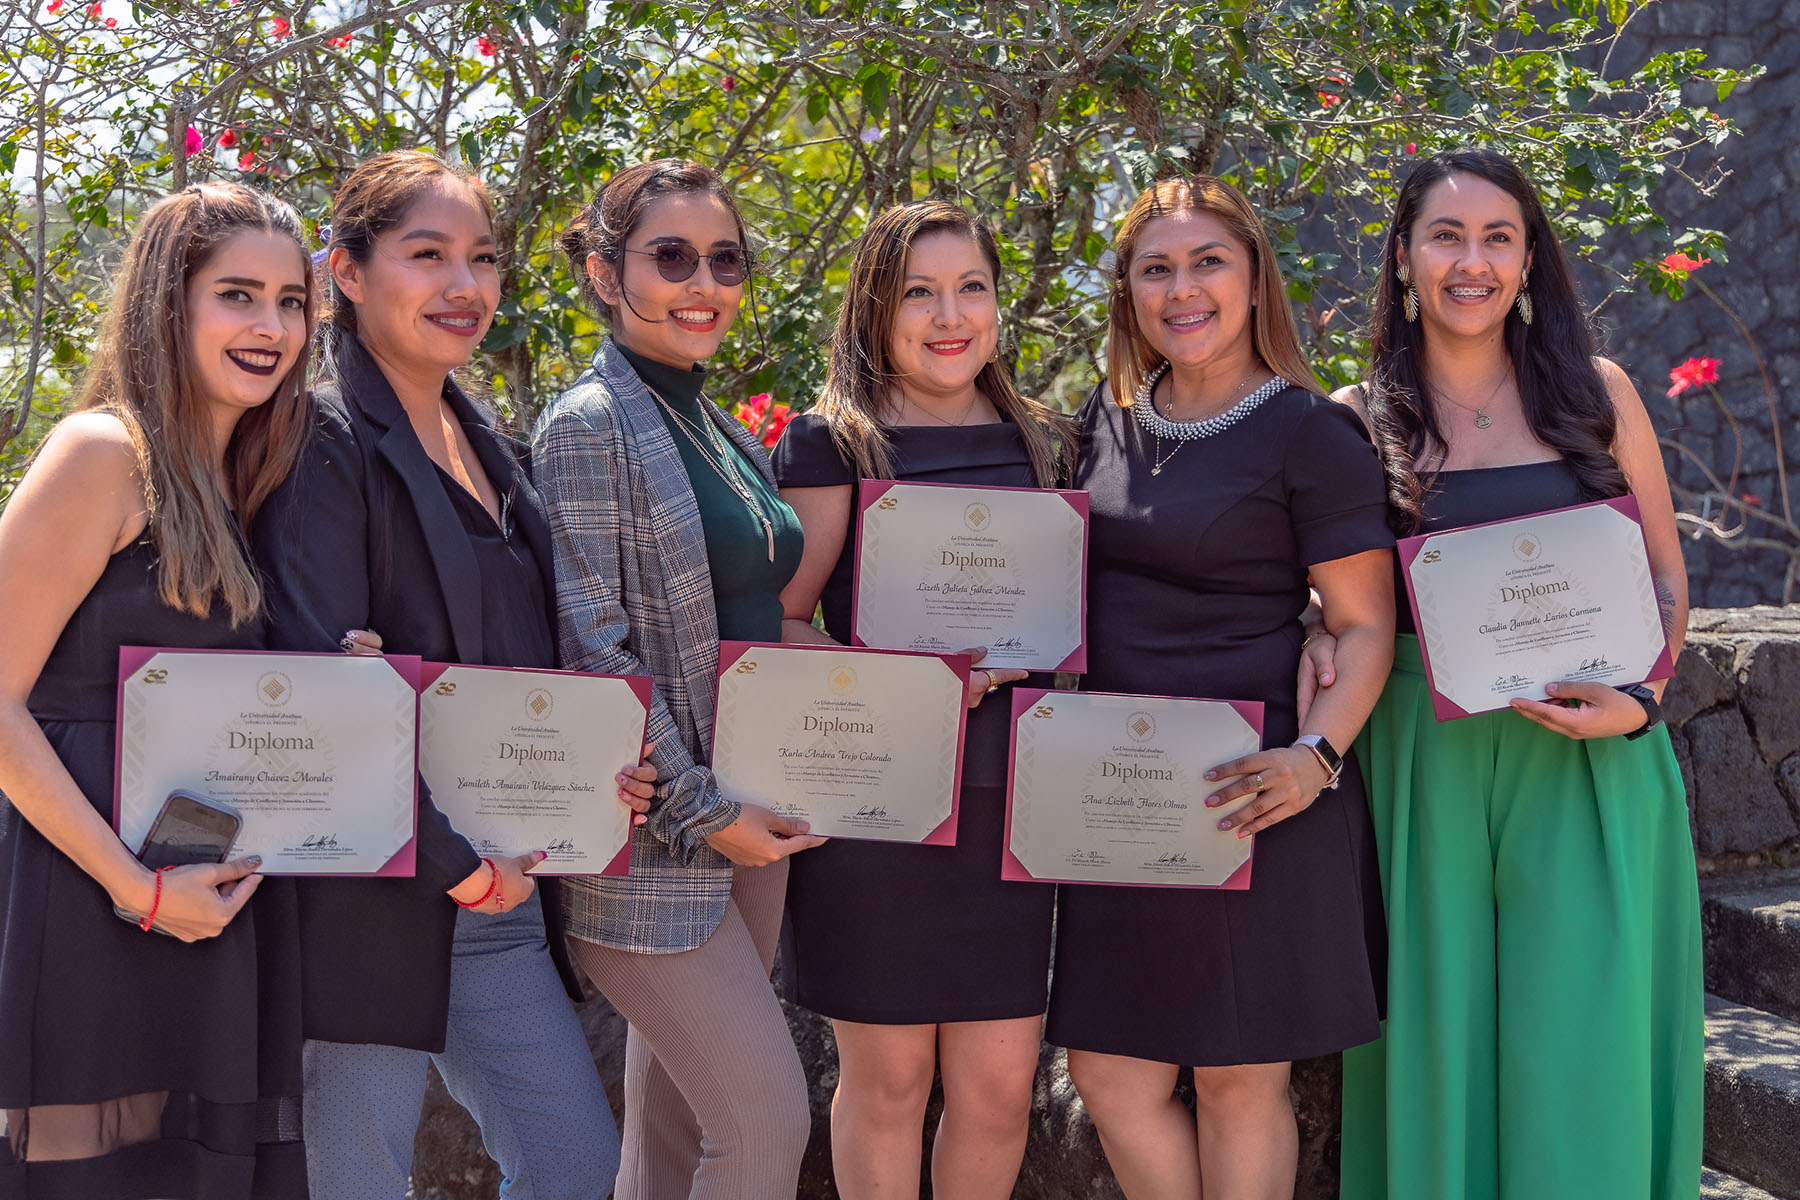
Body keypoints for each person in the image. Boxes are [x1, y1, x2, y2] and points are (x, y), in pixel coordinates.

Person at [251, 149, 653, 1200]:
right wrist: (452, 860)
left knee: (575, 1166)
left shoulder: (493, 444)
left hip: (497, 887)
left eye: (482, 259)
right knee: (357, 1181)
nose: (464, 286)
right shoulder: (319, 437)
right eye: (427, 255)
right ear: (345, 270)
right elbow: (320, 685)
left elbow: (527, 664)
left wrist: (596, 775)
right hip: (366, 888)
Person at [1320, 146, 1703, 1200]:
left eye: (1499, 238)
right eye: (1446, 236)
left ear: (1530, 261)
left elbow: (1668, 578)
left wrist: (1640, 704)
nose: (1471, 262)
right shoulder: (1355, 418)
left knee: (1586, 1038)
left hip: (1592, 757)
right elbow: (1339, 603)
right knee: (1434, 1037)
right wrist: (1315, 630)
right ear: (1403, 259)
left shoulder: (1600, 393)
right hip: (1423, 763)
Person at [1047, 174, 1395, 1199]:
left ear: (1253, 281)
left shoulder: (1309, 435)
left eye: (1208, 263)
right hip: (1115, 803)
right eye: (1156, 268)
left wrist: (1316, 757)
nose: (1182, 288)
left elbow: (1366, 623)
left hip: (1257, 793)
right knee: (1109, 1071)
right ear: (1128, 292)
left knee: (1242, 1076)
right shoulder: (1097, 425)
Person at [0, 182, 313, 1198]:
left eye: (292, 301)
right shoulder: (102, 453)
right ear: (166, 306)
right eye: (238, 295)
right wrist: (136, 892)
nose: (271, 327)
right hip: (91, 900)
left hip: (199, 905)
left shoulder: (240, 476)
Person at [771, 200, 1075, 1198]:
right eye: (919, 294)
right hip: (879, 808)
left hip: (1012, 805)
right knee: (891, 1083)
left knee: (995, 1091)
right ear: (873, 310)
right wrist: (909, 688)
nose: (950, 317)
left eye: (971, 289)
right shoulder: (834, 445)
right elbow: (781, 625)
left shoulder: (1047, 444)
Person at [533, 158, 820, 1200]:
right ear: (609, 276)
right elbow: (592, 654)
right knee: (762, 1120)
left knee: (665, 1141)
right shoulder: (586, 424)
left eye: (725, 259)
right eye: (671, 257)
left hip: (753, 823)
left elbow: (758, 618)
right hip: (665, 839)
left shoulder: (722, 427)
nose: (703, 281)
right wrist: (706, 812)